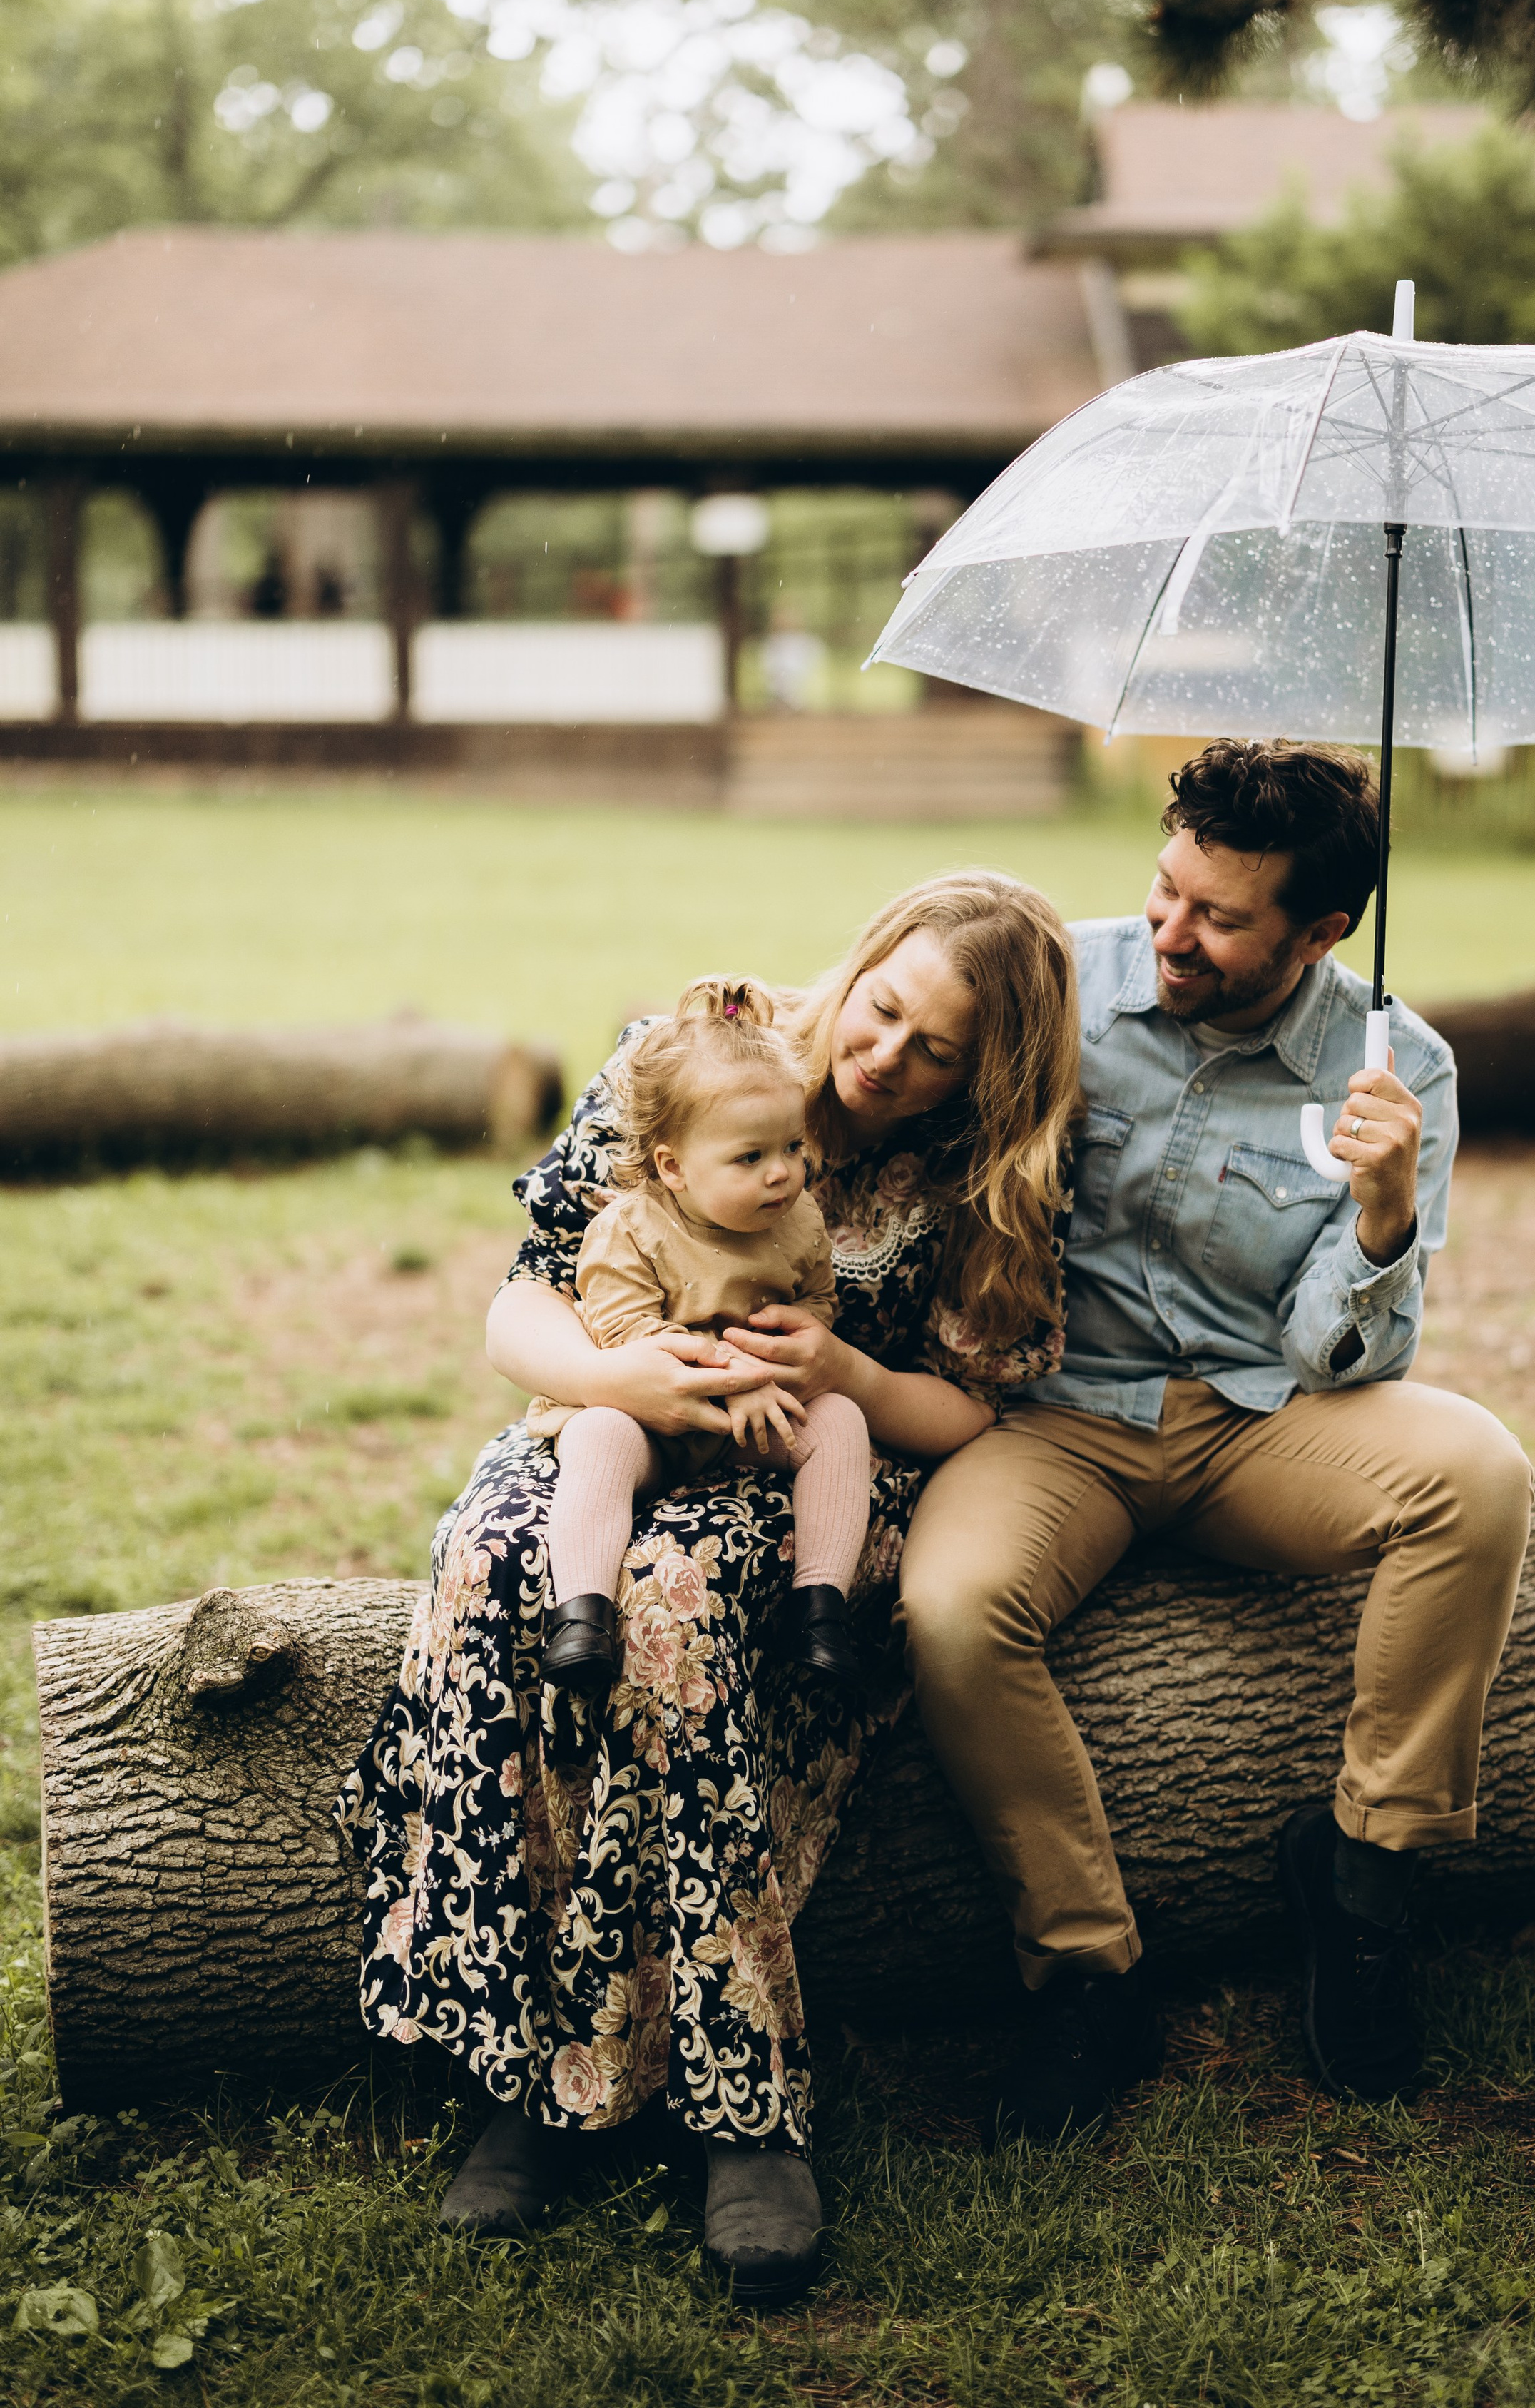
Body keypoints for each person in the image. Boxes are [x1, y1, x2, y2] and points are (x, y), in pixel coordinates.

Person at [335, 870, 1079, 2298]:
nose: (883, 1060)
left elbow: (978, 1412)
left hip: (814, 1472)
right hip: (608, 1415)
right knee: (494, 1563)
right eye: (883, 1011)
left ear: (985, 1077)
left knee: (672, 1616)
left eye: (937, 1053)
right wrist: (614, 1375)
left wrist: (847, 1371)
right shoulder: (691, 1052)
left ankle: (742, 2112)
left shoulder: (984, 1173)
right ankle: (525, 2069)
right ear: (855, 969)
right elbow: (521, 1296)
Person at [890, 740, 1534, 2140]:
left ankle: (1365, 1867)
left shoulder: (1395, 1068)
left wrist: (1375, 1217)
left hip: (1260, 1421)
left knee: (1475, 1474)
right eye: (1165, 891)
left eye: (1220, 918)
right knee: (946, 1610)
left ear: (1320, 931)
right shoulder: (1056, 983)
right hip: (1056, 1418)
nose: (1171, 935)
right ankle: (1083, 1972)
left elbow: (1337, 1353)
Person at [530, 975, 872, 1700]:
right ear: (673, 1167)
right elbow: (623, 1328)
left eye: (790, 1146)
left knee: (840, 1421)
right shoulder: (630, 1229)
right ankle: (581, 1614)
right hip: (653, 1416)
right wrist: (734, 1374)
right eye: (749, 1158)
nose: (781, 1173)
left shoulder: (799, 1220)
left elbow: (815, 1299)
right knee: (597, 1437)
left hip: (756, 1418)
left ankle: (820, 1611)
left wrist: (802, 1337)